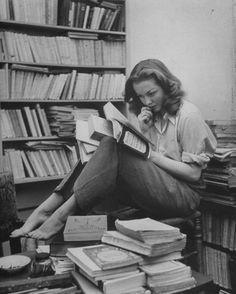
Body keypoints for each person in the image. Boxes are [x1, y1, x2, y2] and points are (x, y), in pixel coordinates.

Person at [11, 59, 217, 240]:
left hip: (184, 197)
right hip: (157, 188)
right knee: (106, 145)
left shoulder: (188, 116)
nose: (147, 101)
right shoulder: (151, 114)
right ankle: (48, 208)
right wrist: (143, 131)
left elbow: (193, 173)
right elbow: (145, 164)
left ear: (166, 86)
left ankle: (56, 213)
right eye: (141, 96)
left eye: (152, 93)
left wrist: (150, 154)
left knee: (114, 146)